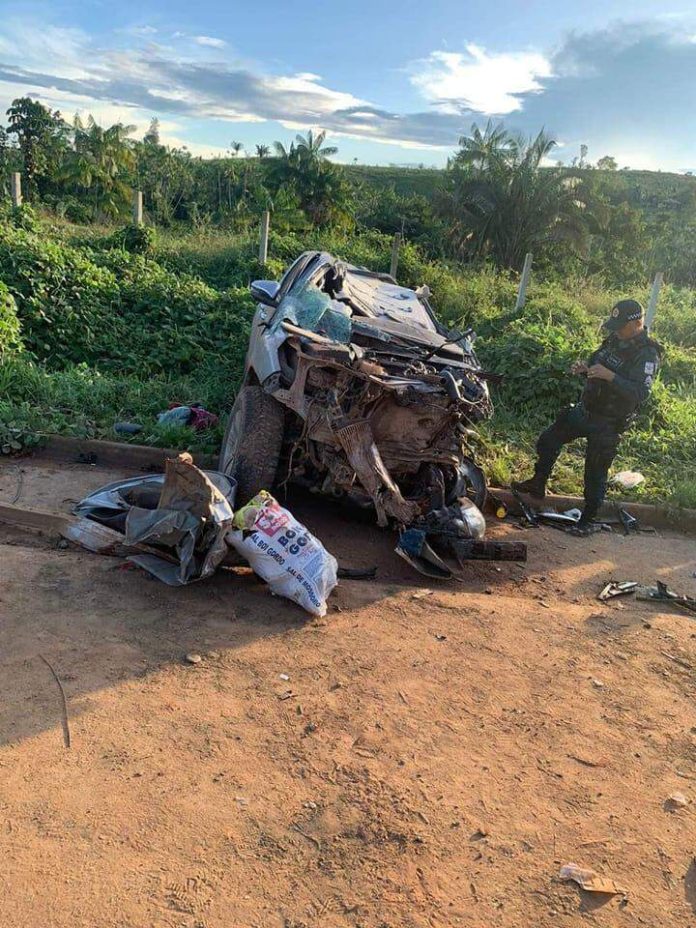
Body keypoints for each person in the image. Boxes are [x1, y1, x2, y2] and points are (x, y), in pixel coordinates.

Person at [512, 299, 661, 535]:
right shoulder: (615, 339)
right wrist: (586, 367)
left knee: (595, 472)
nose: (616, 331)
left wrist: (610, 376)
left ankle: (588, 519)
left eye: (621, 326)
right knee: (548, 439)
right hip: (586, 411)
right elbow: (598, 360)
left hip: (609, 423)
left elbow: (641, 392)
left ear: (637, 323)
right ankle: (538, 483)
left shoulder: (647, 354)